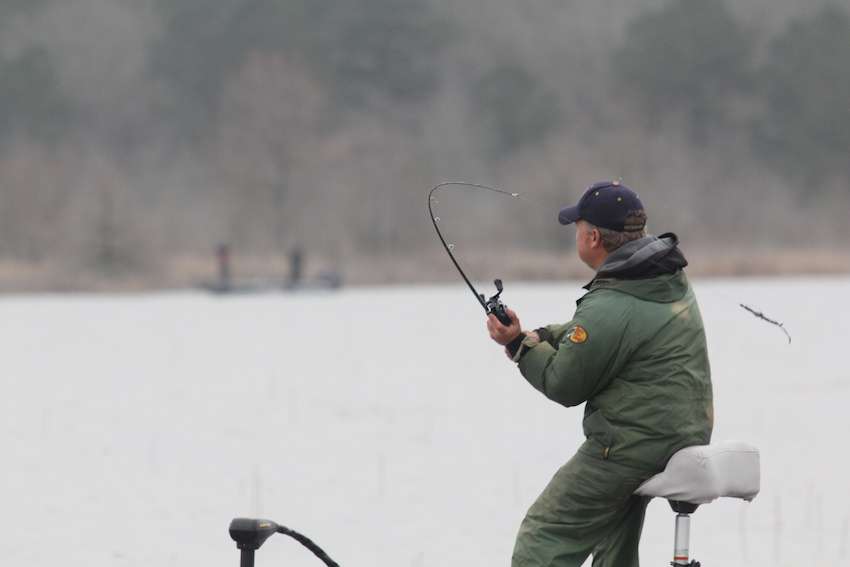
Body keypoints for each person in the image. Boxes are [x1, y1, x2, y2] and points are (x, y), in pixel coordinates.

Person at [487, 180, 713, 567]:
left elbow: (565, 383)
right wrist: (540, 335)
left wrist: (519, 346)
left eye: (576, 228)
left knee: (541, 540)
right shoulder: (663, 279)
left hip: (629, 446)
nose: (575, 235)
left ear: (592, 237)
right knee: (613, 546)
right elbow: (601, 333)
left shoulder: (612, 302)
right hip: (680, 432)